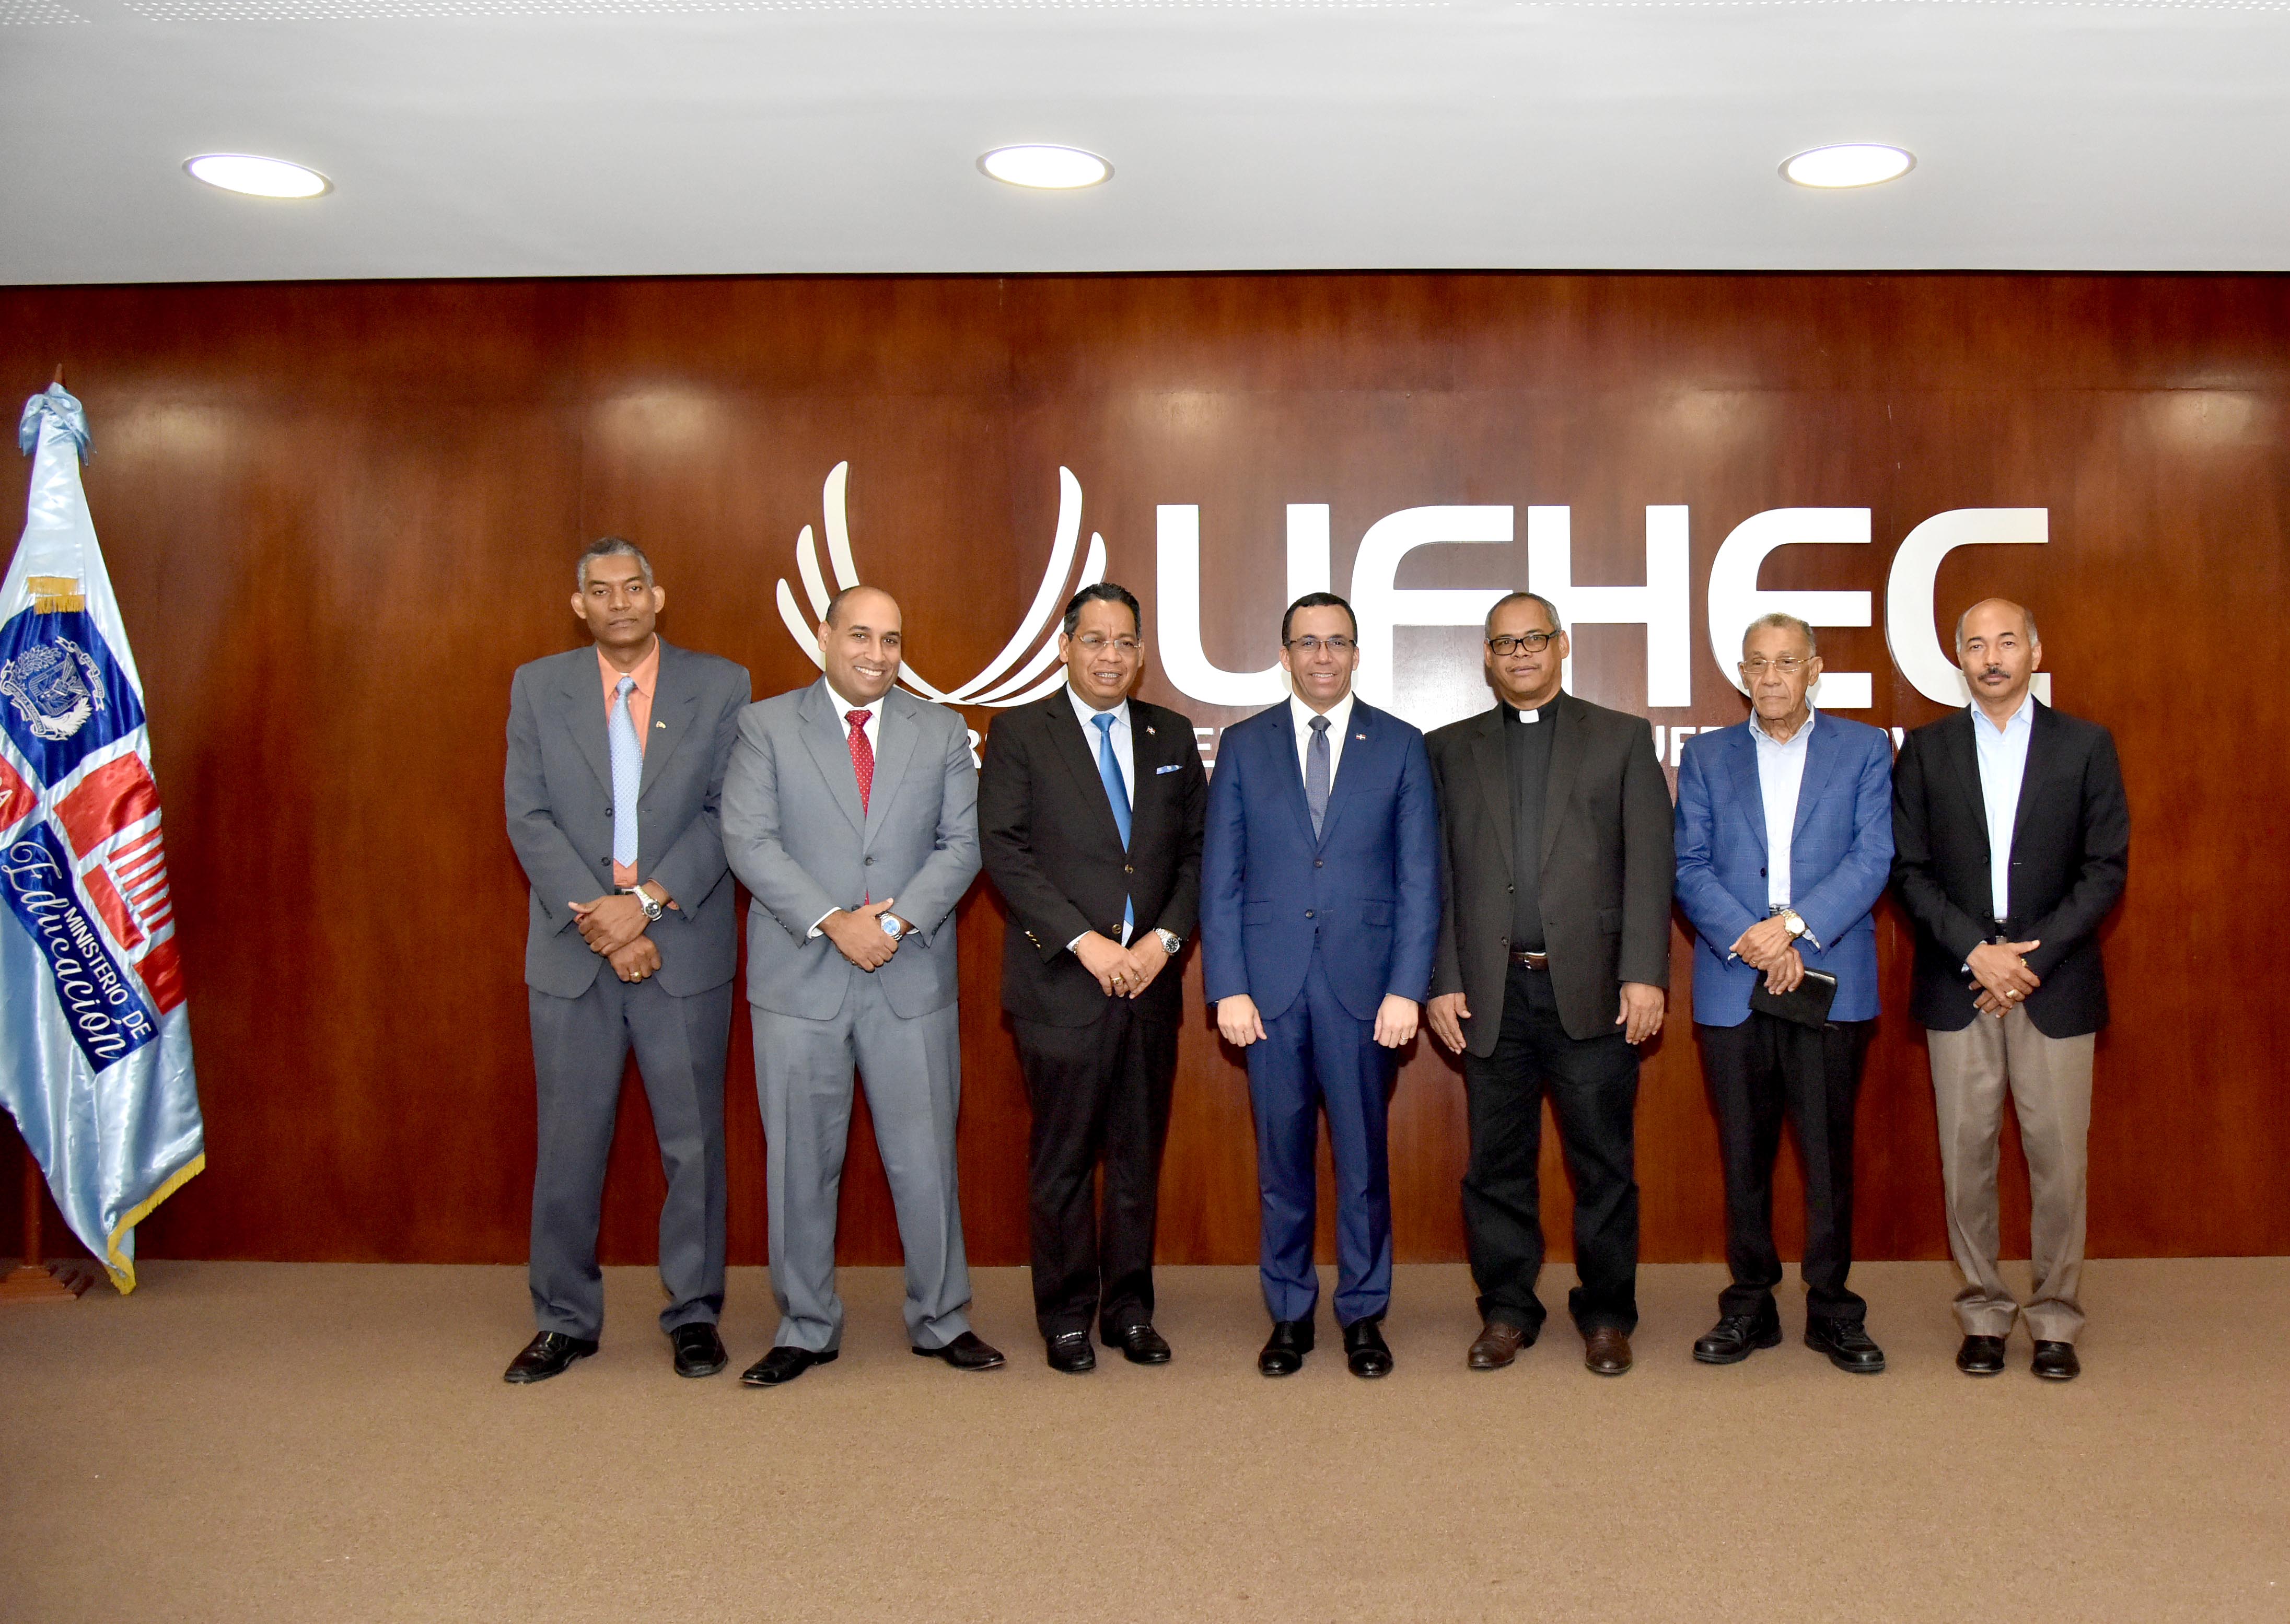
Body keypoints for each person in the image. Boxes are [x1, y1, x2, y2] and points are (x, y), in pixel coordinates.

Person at [718, 585, 1000, 1385]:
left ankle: (942, 1319)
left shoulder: (942, 730)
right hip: (800, 978)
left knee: (926, 1160)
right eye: (860, 636)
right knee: (800, 1164)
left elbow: (964, 842)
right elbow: (748, 837)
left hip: (908, 974)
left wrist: (894, 923)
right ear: (823, 637)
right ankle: (806, 1326)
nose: (877, 654)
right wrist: (836, 921)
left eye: (891, 640)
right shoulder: (765, 725)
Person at [501, 537, 750, 1384]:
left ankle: (694, 1314)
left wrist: (641, 905)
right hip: (574, 949)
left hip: (681, 943)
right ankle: (564, 1317)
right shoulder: (538, 687)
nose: (620, 603)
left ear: (658, 594)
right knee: (569, 1143)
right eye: (601, 591)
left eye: (634, 587)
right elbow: (527, 815)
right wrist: (604, 920)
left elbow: (727, 815)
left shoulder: (721, 685)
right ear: (580, 605)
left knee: (694, 1146)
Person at [1424, 591, 1672, 1377]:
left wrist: (1644, 973)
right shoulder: (1446, 749)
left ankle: (1606, 1314)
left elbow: (1649, 870)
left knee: (1603, 1163)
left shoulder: (1623, 739)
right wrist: (1442, 978)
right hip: (1489, 994)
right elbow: (1431, 877)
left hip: (1595, 991)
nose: (1521, 653)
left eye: (1535, 638)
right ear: (1487, 658)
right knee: (1496, 1163)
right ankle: (1506, 1308)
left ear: (1562, 646)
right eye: (1505, 643)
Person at [1201, 592, 1438, 1379]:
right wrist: (1226, 986)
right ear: (1286, 655)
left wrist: (1408, 987)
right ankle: (1290, 1313)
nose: (1323, 656)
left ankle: (1365, 1314)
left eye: (1337, 642)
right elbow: (1221, 878)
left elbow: (1419, 879)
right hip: (1265, 990)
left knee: (1366, 1162)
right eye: (1307, 642)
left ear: (1358, 653)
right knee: (1282, 1163)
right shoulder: (1242, 745)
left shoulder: (1401, 745)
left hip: (1366, 991)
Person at [1893, 598, 2128, 1382]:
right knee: (1967, 1159)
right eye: (1975, 644)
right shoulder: (1925, 751)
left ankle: (2056, 1317)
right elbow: (1909, 871)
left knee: (2059, 1159)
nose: (1991, 656)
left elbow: (2106, 869)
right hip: (1959, 979)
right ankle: (1984, 1313)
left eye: (2005, 641)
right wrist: (1975, 952)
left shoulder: (2086, 744)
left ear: (2034, 649)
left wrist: (2028, 959)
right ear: (1958, 658)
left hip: (2052, 981)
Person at [979, 582, 1207, 1373]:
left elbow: (1194, 856)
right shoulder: (1020, 733)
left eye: (1124, 642)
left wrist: (1163, 941)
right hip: (1061, 984)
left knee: (1138, 1161)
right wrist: (1086, 943)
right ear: (1066, 647)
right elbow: (1005, 851)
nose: (1110, 655)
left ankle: (1130, 1311)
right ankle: (1068, 1315)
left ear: (1141, 655)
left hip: (1150, 984)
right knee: (1065, 1159)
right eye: (1095, 640)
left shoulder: (1171, 732)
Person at [1673, 613, 1894, 1374]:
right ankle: (1750, 1305)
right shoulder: (1703, 757)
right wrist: (1755, 939)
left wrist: (1794, 930)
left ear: (1815, 670)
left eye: (1787, 662)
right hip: (1736, 980)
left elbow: (1873, 858)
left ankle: (1833, 1310)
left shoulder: (1865, 749)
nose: (1771, 677)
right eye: (1758, 664)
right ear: (1742, 674)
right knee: (1744, 1152)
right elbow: (1689, 865)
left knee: (1828, 1155)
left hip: (1831, 979)